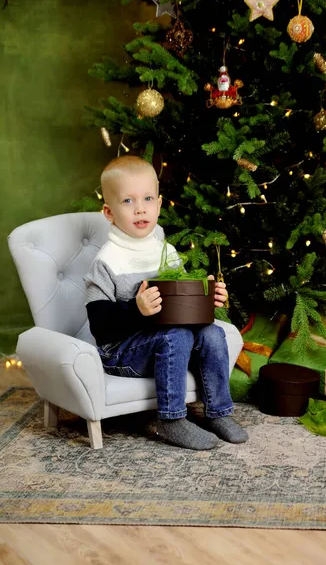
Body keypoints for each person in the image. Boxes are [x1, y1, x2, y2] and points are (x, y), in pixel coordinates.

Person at [84, 155, 248, 450]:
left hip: (168, 342)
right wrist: (137, 309)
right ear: (108, 212)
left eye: (147, 198)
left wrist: (209, 298)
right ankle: (171, 420)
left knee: (213, 332)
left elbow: (185, 307)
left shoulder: (166, 251)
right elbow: (100, 327)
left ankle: (218, 412)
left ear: (159, 205)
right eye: (128, 201)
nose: (140, 208)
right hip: (122, 354)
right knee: (176, 335)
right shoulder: (106, 261)